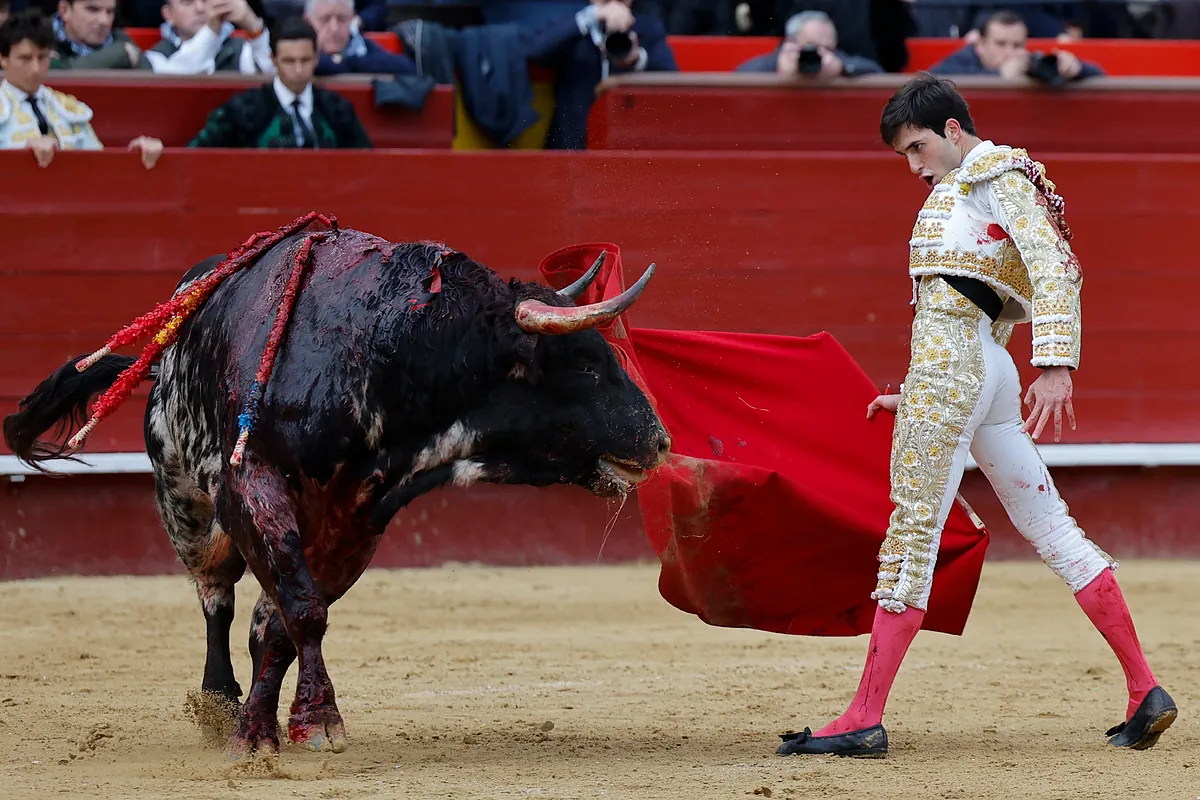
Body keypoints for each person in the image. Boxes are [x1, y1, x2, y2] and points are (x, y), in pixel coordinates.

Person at [775, 73, 1176, 759]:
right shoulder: (971, 186)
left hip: (964, 363)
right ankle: (1145, 689)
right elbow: (977, 292)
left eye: (918, 146)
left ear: (954, 130)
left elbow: (1053, 267)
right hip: (978, 365)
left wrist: (1056, 363)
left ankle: (864, 716)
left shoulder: (993, 171)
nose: (914, 164)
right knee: (1050, 525)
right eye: (903, 153)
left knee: (911, 532)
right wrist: (925, 391)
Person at [1, 9, 162, 167]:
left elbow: (99, 165)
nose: (36, 68)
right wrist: (19, 155)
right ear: (3, 58)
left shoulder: (66, 107)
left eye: (42, 57)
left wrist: (132, 157)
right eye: (25, 58)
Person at [187, 16, 371, 149]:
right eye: (289, 61)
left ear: (316, 59)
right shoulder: (243, 109)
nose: (298, 70)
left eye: (305, 60)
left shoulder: (337, 109)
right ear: (273, 60)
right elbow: (198, 154)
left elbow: (364, 162)